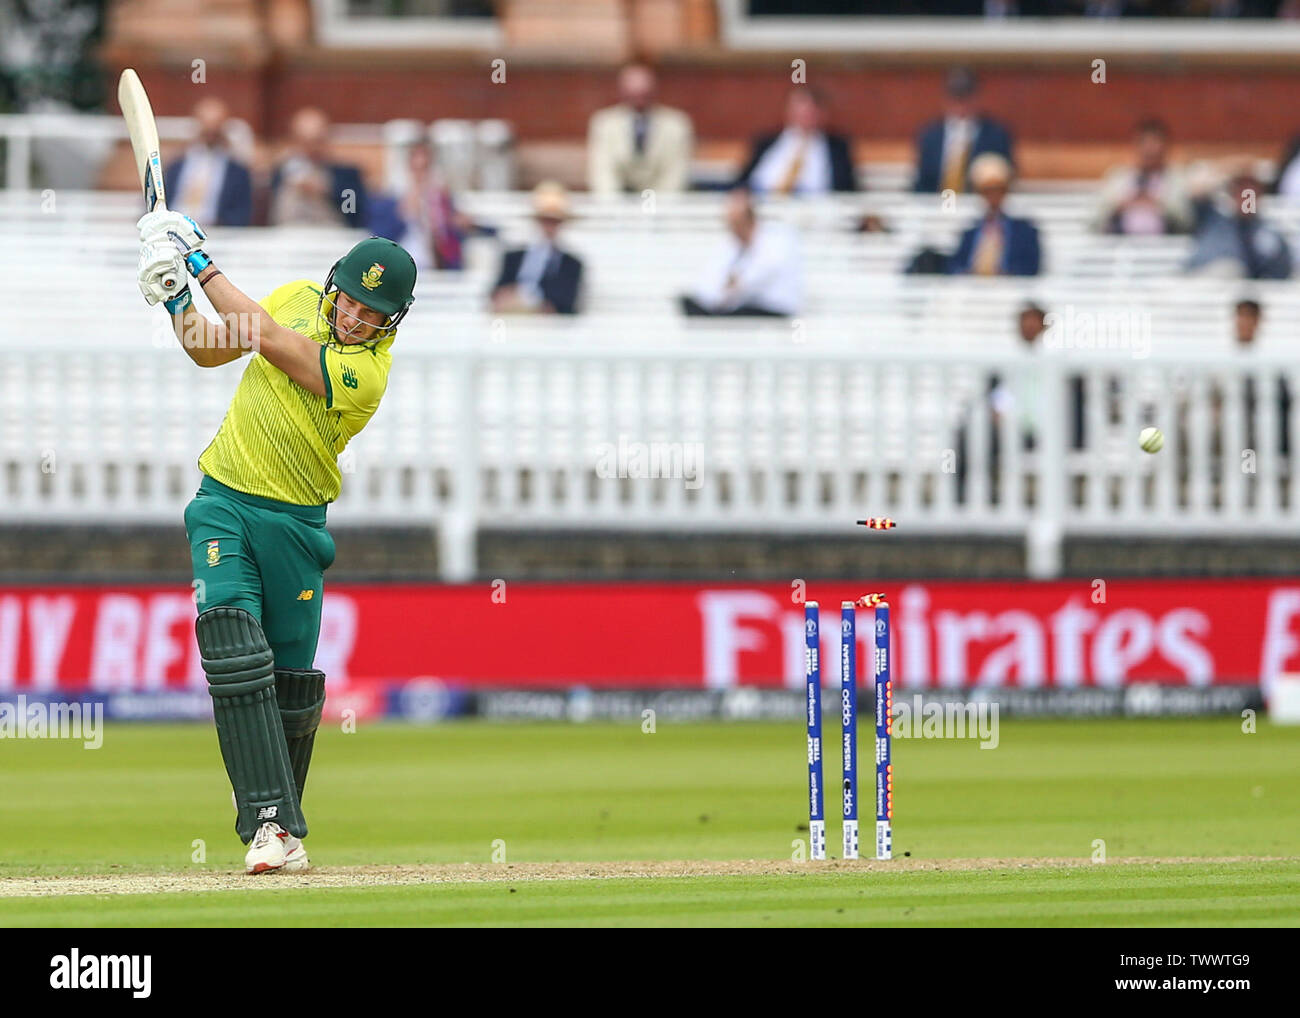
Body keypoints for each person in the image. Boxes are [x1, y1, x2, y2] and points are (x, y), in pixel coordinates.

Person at [134, 208, 416, 875]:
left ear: (390, 322)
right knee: (230, 638)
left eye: (371, 314)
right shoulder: (295, 297)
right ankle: (269, 822)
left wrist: (200, 259)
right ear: (333, 287)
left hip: (296, 525)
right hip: (224, 498)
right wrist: (174, 291)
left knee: (289, 686)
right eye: (350, 302)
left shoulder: (367, 375)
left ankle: (278, 828)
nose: (354, 319)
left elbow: (268, 340)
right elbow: (210, 344)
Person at [679, 188, 802, 316]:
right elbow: (712, 280)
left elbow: (765, 271)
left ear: (748, 219)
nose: (732, 229)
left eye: (735, 223)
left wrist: (736, 283)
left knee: (733, 317)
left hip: (773, 308)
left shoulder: (778, 236)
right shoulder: (732, 245)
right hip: (741, 308)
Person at [588, 63, 693, 196]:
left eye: (644, 95)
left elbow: (675, 174)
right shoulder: (604, 123)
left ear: (654, 91)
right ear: (622, 92)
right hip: (617, 206)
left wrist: (656, 207)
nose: (639, 101)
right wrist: (614, 208)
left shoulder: (677, 125)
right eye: (633, 95)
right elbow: (602, 172)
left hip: (663, 205)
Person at [735, 87, 856, 196]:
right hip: (761, 203)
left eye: (811, 111)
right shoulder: (765, 141)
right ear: (789, 111)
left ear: (822, 113)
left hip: (817, 210)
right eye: (800, 110)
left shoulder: (837, 146)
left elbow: (847, 188)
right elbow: (743, 181)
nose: (805, 116)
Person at [913, 67, 1014, 194]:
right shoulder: (930, 136)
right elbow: (922, 182)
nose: (961, 105)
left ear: (976, 98)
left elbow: (1005, 178)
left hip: (978, 205)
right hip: (939, 204)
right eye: (955, 97)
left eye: (966, 98)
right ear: (946, 99)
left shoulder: (996, 135)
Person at [490, 182, 584, 315]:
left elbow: (567, 302)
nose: (549, 227)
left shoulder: (572, 264)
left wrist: (534, 302)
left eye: (554, 222)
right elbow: (496, 293)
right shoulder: (513, 257)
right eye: (545, 220)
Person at [269, 108, 368, 227]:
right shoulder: (282, 171)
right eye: (305, 142)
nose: (312, 148)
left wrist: (329, 190)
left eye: (316, 141)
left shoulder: (346, 174)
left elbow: (353, 212)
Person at [1187, 169, 1292, 280]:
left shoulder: (1267, 234)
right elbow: (1196, 190)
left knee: (1232, 270)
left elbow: (1279, 272)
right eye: (1242, 193)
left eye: (1251, 195)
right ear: (1233, 195)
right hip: (1200, 281)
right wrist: (1227, 172)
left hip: (1239, 289)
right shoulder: (1212, 218)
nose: (1246, 200)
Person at [164, 98, 253, 227]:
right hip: (173, 230)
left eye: (216, 124)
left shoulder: (238, 172)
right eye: (206, 124)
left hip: (217, 235)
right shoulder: (175, 165)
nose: (210, 130)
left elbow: (241, 214)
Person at [1095, 118, 1193, 235]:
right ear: (1136, 146)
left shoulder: (1177, 178)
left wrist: (1157, 205)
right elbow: (1096, 220)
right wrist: (1121, 206)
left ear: (1165, 147)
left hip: (1167, 244)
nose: (1150, 148)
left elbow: (1187, 221)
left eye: (1155, 143)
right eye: (1144, 143)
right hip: (1119, 245)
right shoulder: (1119, 177)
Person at [948, 153, 1041, 276]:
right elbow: (956, 265)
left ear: (1006, 191)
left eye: (998, 190)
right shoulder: (970, 232)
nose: (993, 196)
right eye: (988, 191)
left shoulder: (1024, 231)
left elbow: (1030, 267)